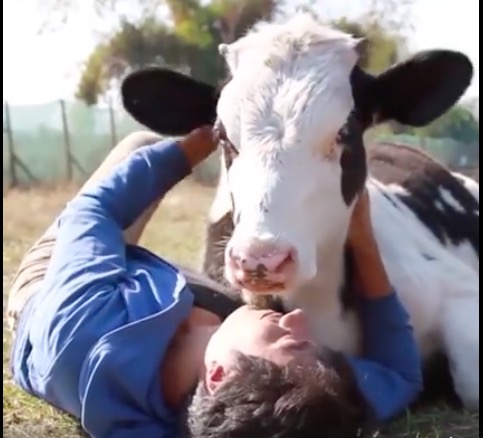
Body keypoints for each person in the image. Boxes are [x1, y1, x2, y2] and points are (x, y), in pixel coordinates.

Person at [8, 126, 423, 438]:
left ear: (220, 376)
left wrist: (197, 145)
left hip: (48, 290)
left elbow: (93, 212)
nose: (296, 319)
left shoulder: (84, 317)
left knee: (141, 143)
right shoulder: (283, 409)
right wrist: (363, 240)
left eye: (289, 340)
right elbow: (400, 377)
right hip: (177, 310)